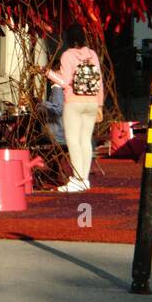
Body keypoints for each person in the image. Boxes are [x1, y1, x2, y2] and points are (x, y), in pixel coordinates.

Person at [46, 24, 103, 193]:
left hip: (74, 102)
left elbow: (64, 81)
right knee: (85, 140)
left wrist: (48, 73)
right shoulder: (92, 54)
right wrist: (99, 105)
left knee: (73, 141)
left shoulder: (67, 55)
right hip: (92, 102)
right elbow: (99, 81)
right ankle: (84, 179)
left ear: (68, 39)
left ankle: (77, 180)